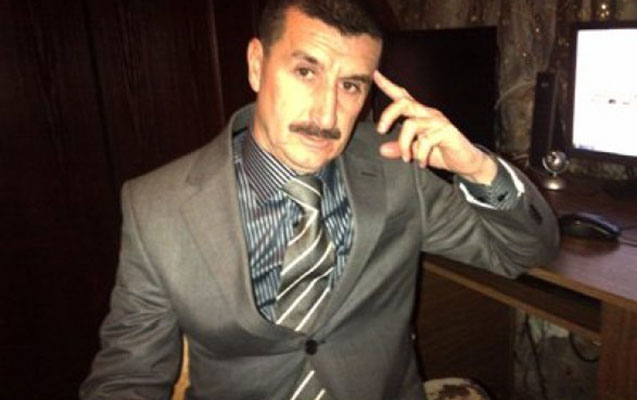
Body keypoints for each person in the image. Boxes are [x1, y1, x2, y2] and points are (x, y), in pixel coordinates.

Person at [80, 0, 559, 399]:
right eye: (306, 71)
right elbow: (128, 377)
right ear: (256, 65)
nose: (326, 115)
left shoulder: (397, 171)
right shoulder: (156, 207)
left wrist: (475, 167)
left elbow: (521, 252)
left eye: (350, 85)